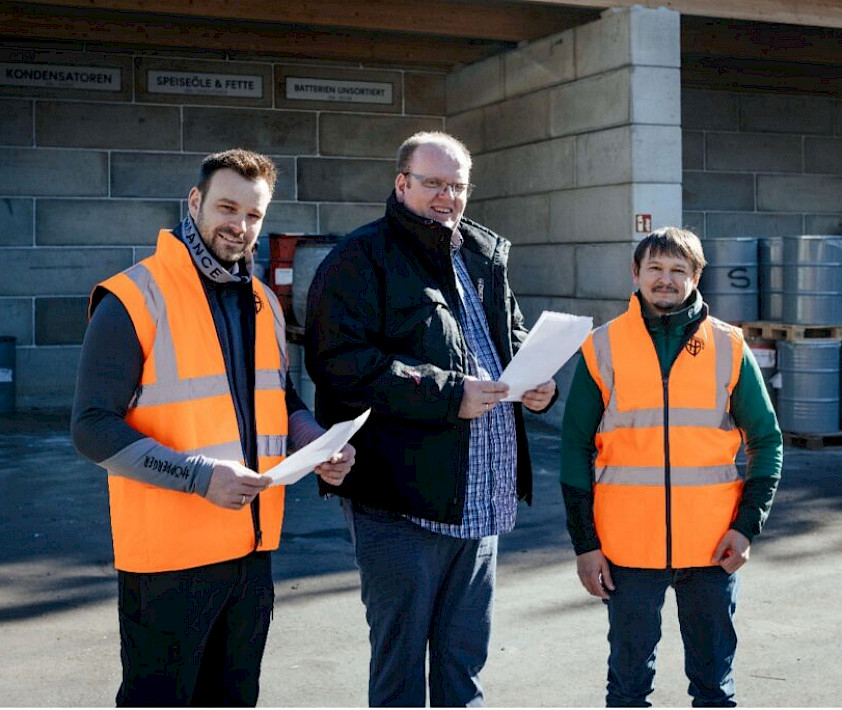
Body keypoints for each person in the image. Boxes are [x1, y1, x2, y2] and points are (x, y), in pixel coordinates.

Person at [71, 148, 355, 707]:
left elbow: (282, 396)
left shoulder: (262, 302)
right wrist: (199, 477)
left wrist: (315, 443)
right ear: (195, 201)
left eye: (254, 215)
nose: (240, 226)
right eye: (227, 208)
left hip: (251, 553)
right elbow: (92, 427)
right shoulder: (132, 296)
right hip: (168, 563)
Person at [304, 131, 557, 707]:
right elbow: (339, 362)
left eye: (458, 186)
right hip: (402, 503)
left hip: (481, 499)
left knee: (462, 665)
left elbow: (511, 338)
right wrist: (449, 396)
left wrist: (539, 382)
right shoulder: (359, 257)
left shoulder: (484, 255)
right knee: (400, 672)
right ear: (402, 184)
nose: (447, 197)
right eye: (434, 184)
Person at [560, 227, 783, 707]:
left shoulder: (729, 346)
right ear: (635, 273)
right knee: (627, 688)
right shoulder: (602, 347)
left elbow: (766, 442)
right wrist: (586, 545)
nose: (666, 279)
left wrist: (746, 528)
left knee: (713, 688)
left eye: (678, 270)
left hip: (713, 549)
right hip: (626, 552)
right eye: (655, 268)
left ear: (696, 276)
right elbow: (575, 448)